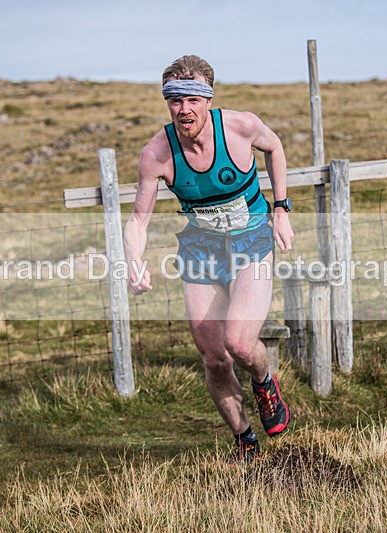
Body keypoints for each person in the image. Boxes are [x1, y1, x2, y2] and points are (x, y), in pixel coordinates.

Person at [124, 55, 295, 463]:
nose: (183, 110)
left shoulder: (240, 128)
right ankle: (244, 438)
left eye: (191, 100)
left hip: (251, 242)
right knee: (214, 358)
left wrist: (281, 208)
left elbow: (275, 147)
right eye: (174, 101)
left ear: (208, 99)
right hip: (201, 252)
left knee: (239, 342)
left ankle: (264, 380)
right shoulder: (157, 154)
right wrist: (133, 260)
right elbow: (137, 220)